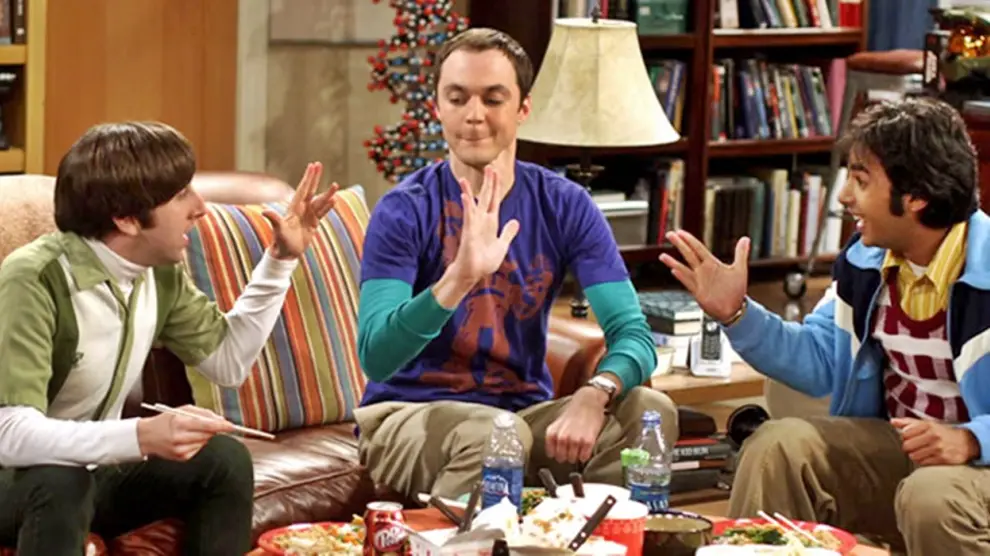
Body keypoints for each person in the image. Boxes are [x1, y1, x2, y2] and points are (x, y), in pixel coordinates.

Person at [353, 27, 679, 501]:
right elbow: (377, 356)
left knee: (649, 409)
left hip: (520, 416)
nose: (474, 115)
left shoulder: (565, 205)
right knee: (495, 435)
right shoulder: (404, 210)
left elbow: (634, 333)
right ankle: (461, 539)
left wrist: (596, 391)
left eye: (493, 99)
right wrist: (459, 278)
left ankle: (601, 536)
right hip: (404, 415)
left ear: (523, 108)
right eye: (457, 98)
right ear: (437, 107)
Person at [659, 96, 990, 555]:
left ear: (917, 195)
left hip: (975, 469)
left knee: (931, 496)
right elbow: (818, 360)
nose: (843, 196)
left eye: (861, 180)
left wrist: (973, 439)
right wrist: (736, 313)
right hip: (904, 451)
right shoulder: (866, 262)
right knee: (777, 447)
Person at [0, 121, 337, 556]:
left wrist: (280, 260)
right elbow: (11, 434)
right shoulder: (33, 279)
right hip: (16, 478)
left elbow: (228, 361)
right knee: (61, 480)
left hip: (91, 472)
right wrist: (140, 435)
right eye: (181, 195)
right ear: (126, 218)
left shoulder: (157, 274)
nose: (201, 207)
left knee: (223, 460)